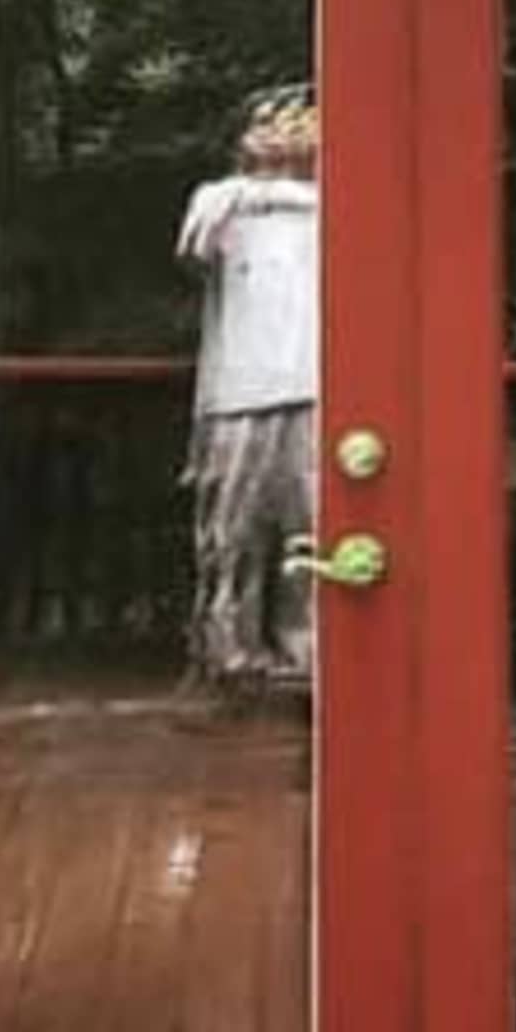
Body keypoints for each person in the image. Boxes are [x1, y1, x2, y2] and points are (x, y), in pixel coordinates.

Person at [176, 89, 320, 685]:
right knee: (234, 532)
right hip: (240, 388)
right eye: (266, 124)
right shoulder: (221, 201)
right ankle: (229, 649)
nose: (281, 135)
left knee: (312, 527)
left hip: (315, 383)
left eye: (300, 124)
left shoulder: (341, 202)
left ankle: (308, 648)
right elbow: (195, 242)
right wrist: (255, 192)